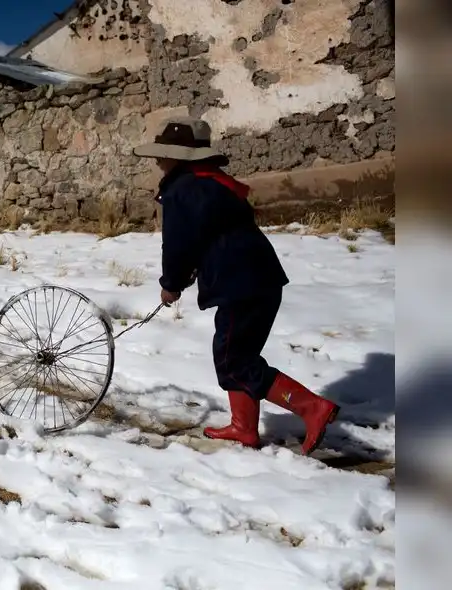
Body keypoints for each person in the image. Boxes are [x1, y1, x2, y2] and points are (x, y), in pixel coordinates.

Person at [132, 117, 340, 455]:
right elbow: (211, 236)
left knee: (234, 360)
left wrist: (172, 284)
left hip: (239, 282)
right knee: (237, 354)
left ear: (181, 157)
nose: (157, 161)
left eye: (163, 154)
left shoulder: (183, 189)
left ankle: (312, 408)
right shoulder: (216, 182)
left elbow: (178, 245)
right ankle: (244, 428)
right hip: (261, 277)